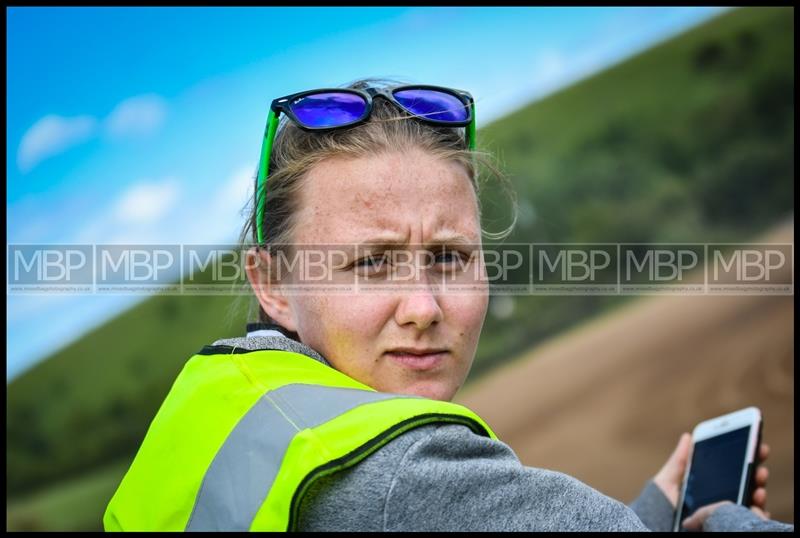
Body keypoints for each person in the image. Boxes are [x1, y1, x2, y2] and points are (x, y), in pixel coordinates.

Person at [103, 78, 792, 531]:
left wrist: (653, 513)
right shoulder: (411, 471)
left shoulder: (223, 412)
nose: (425, 305)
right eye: (370, 263)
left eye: (450, 257)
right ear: (272, 282)